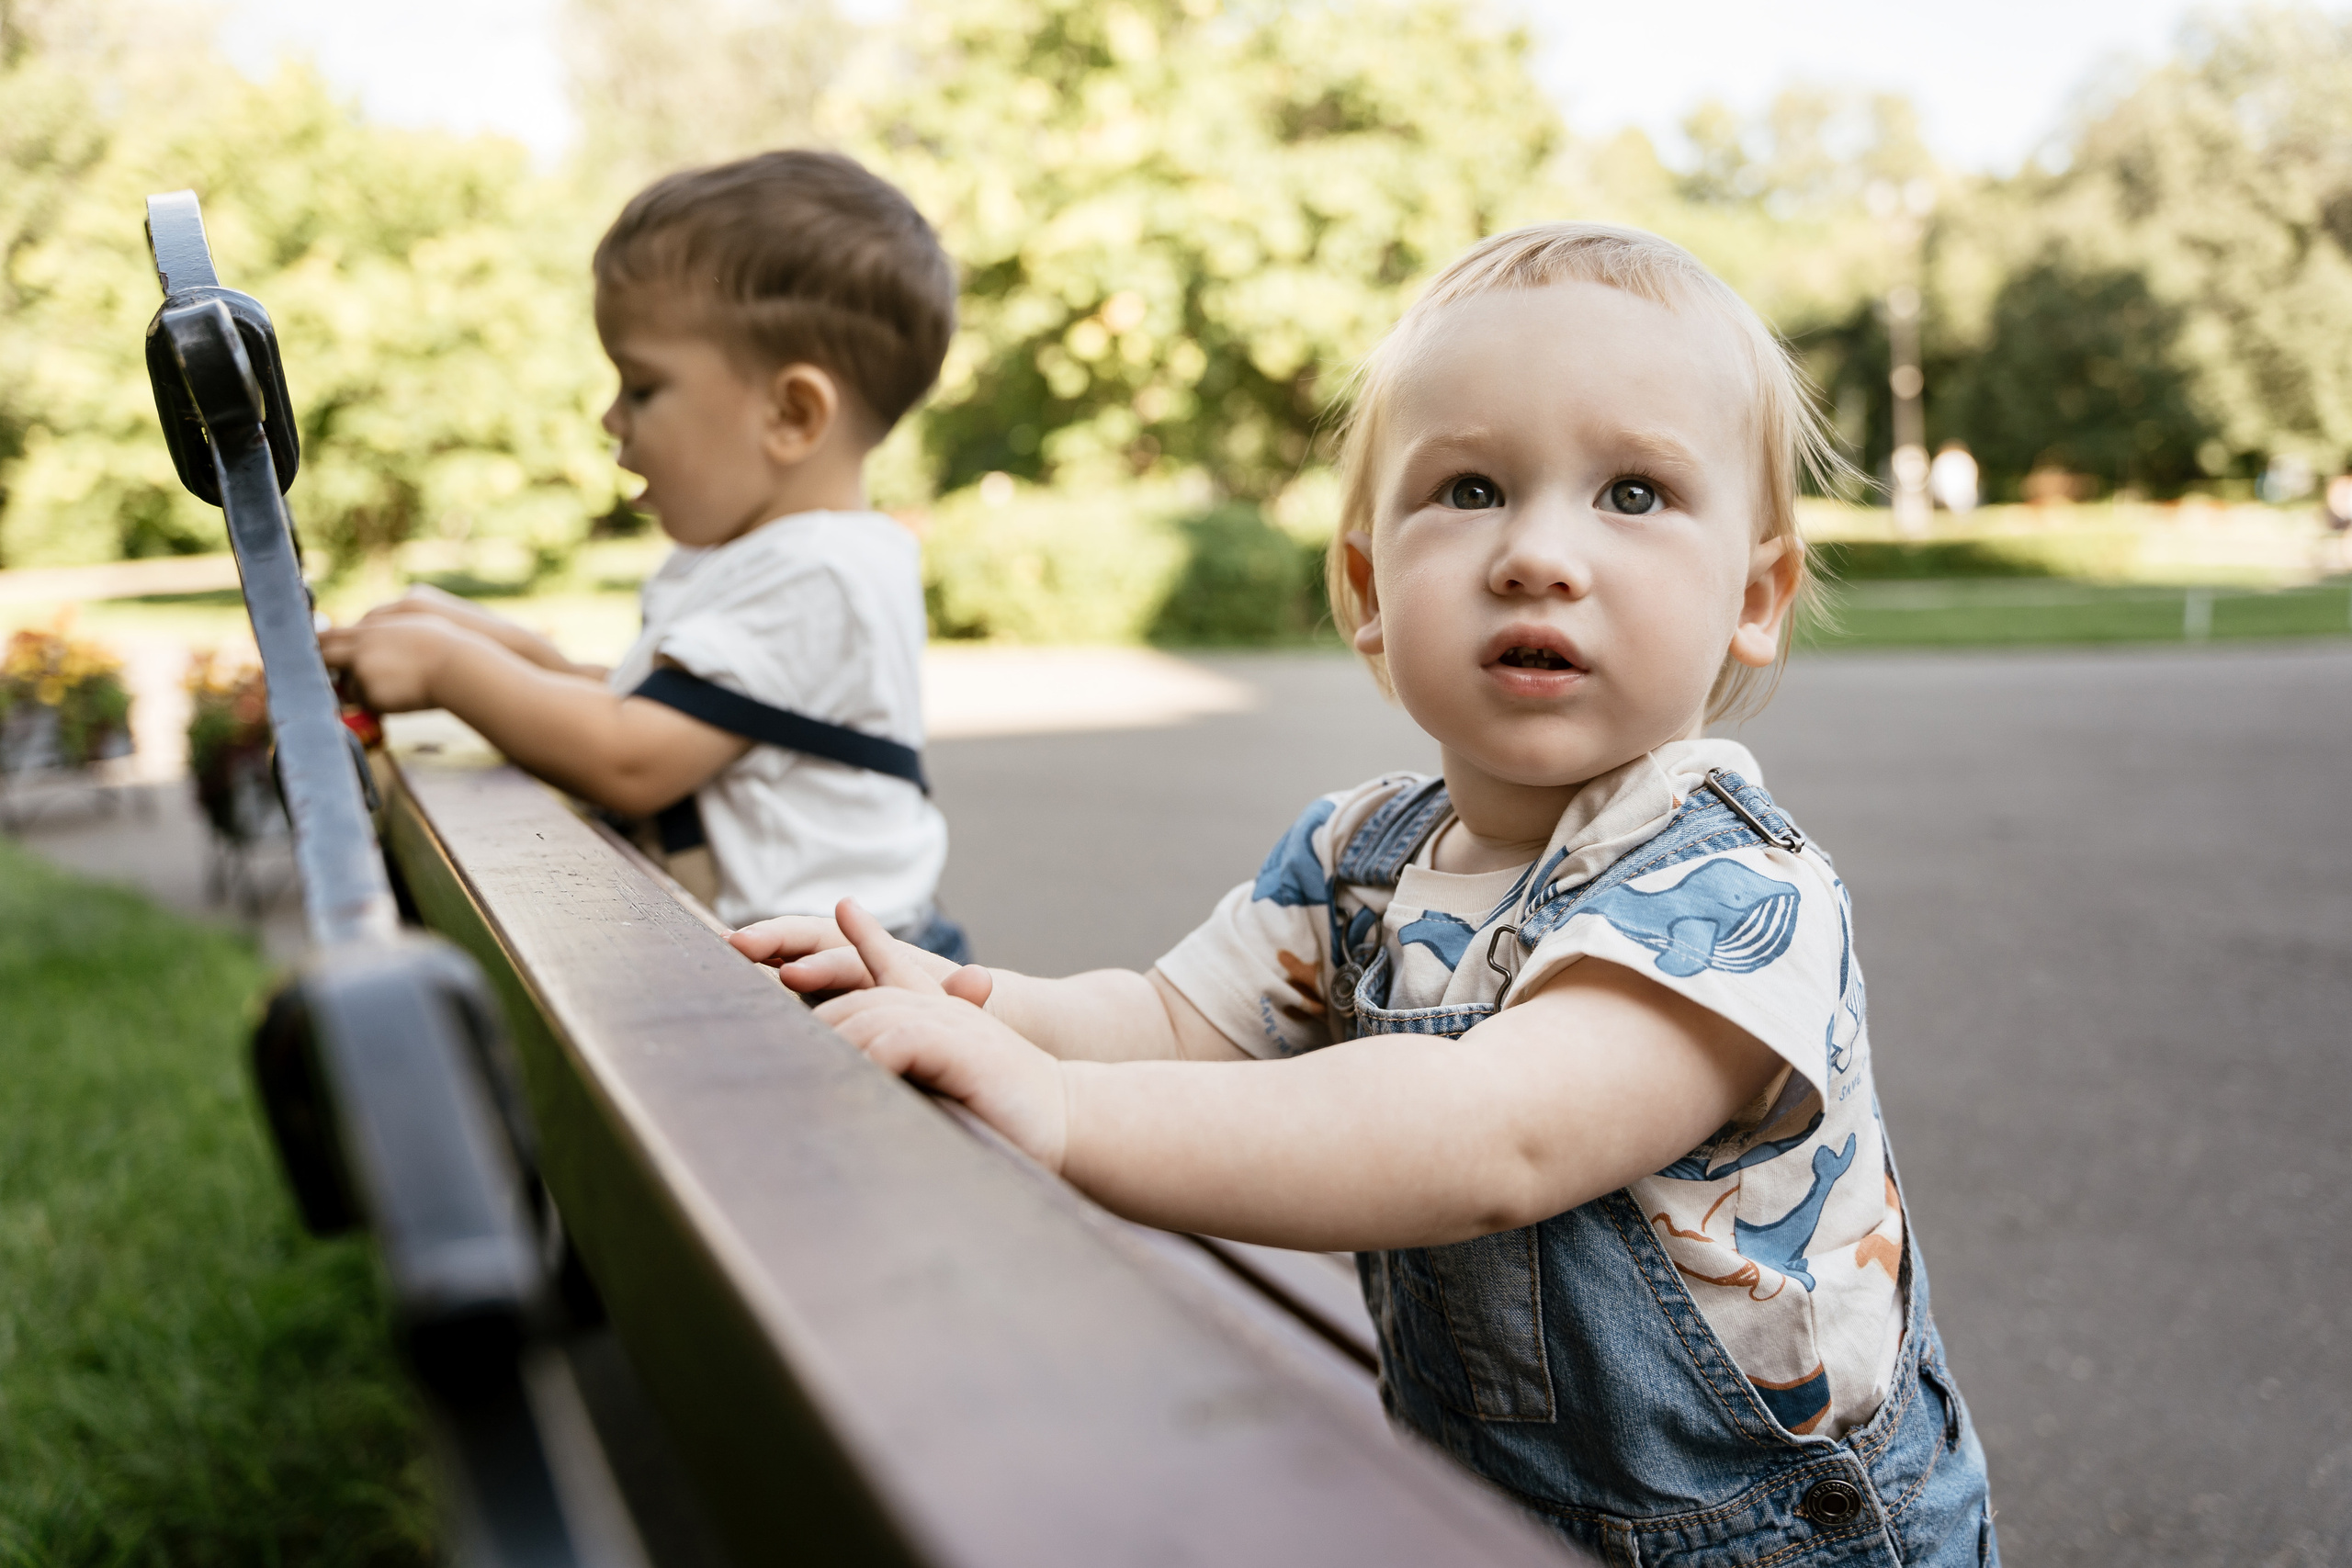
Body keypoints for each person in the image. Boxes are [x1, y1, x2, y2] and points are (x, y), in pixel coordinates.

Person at [731, 223, 1996, 1565]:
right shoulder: (1362, 853)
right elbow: (1173, 1019)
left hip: (1775, 1543)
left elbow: (1491, 1135)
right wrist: (985, 1003)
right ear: (1365, 589)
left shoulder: (1734, 890)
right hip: (1492, 1500)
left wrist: (1062, 1108)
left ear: (1756, 595)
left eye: (1631, 493)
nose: (1536, 553)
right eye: (1468, 488)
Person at [322, 151, 967, 957]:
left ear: (793, 414)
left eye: (642, 388)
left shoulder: (823, 573)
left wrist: (449, 668)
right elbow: (653, 706)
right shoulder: (767, 556)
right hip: (785, 970)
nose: (611, 419)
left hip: (845, 991)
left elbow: (630, 755)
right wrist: (503, 647)